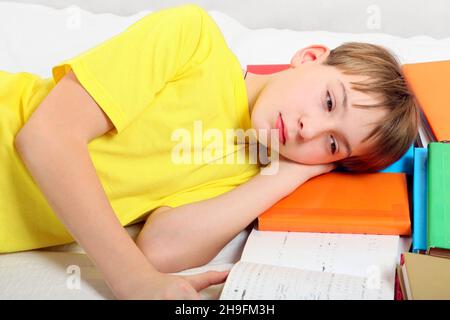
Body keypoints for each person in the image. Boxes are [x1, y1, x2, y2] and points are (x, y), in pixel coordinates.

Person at [0, 4, 419, 299]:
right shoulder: (193, 40)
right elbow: (46, 137)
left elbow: (160, 251)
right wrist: (132, 281)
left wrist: (290, 175)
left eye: (333, 144)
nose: (309, 128)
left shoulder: (245, 179)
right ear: (309, 57)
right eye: (329, 101)